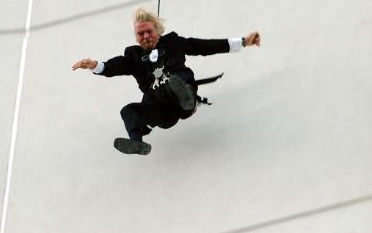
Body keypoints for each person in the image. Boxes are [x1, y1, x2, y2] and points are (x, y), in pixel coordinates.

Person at [72, 8, 261, 155]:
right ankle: (137, 142)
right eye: (140, 34)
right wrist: (95, 65)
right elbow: (116, 66)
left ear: (158, 31)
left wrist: (243, 42)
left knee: (173, 82)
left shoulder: (173, 43)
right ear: (136, 37)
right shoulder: (134, 56)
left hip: (181, 100)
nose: (145, 36)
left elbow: (203, 46)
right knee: (128, 110)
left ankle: (187, 98)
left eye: (148, 31)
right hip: (163, 113)